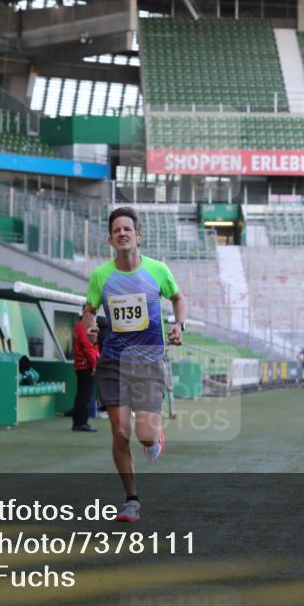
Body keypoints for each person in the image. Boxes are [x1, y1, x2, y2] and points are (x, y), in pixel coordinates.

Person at [84, 207, 187, 524]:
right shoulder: (101, 276)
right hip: (113, 360)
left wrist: (179, 325)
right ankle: (131, 500)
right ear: (110, 240)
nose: (122, 233)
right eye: (117, 230)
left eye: (127, 229)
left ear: (138, 236)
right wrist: (89, 324)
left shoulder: (158, 270)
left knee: (143, 435)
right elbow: (88, 309)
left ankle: (154, 437)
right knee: (119, 431)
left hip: (148, 360)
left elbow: (178, 299)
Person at [68, 319, 99, 432]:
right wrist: (94, 364)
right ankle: (81, 423)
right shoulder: (84, 326)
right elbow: (88, 347)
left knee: (81, 394)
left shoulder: (78, 326)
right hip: (86, 366)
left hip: (81, 365)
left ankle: (78, 422)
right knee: (84, 395)